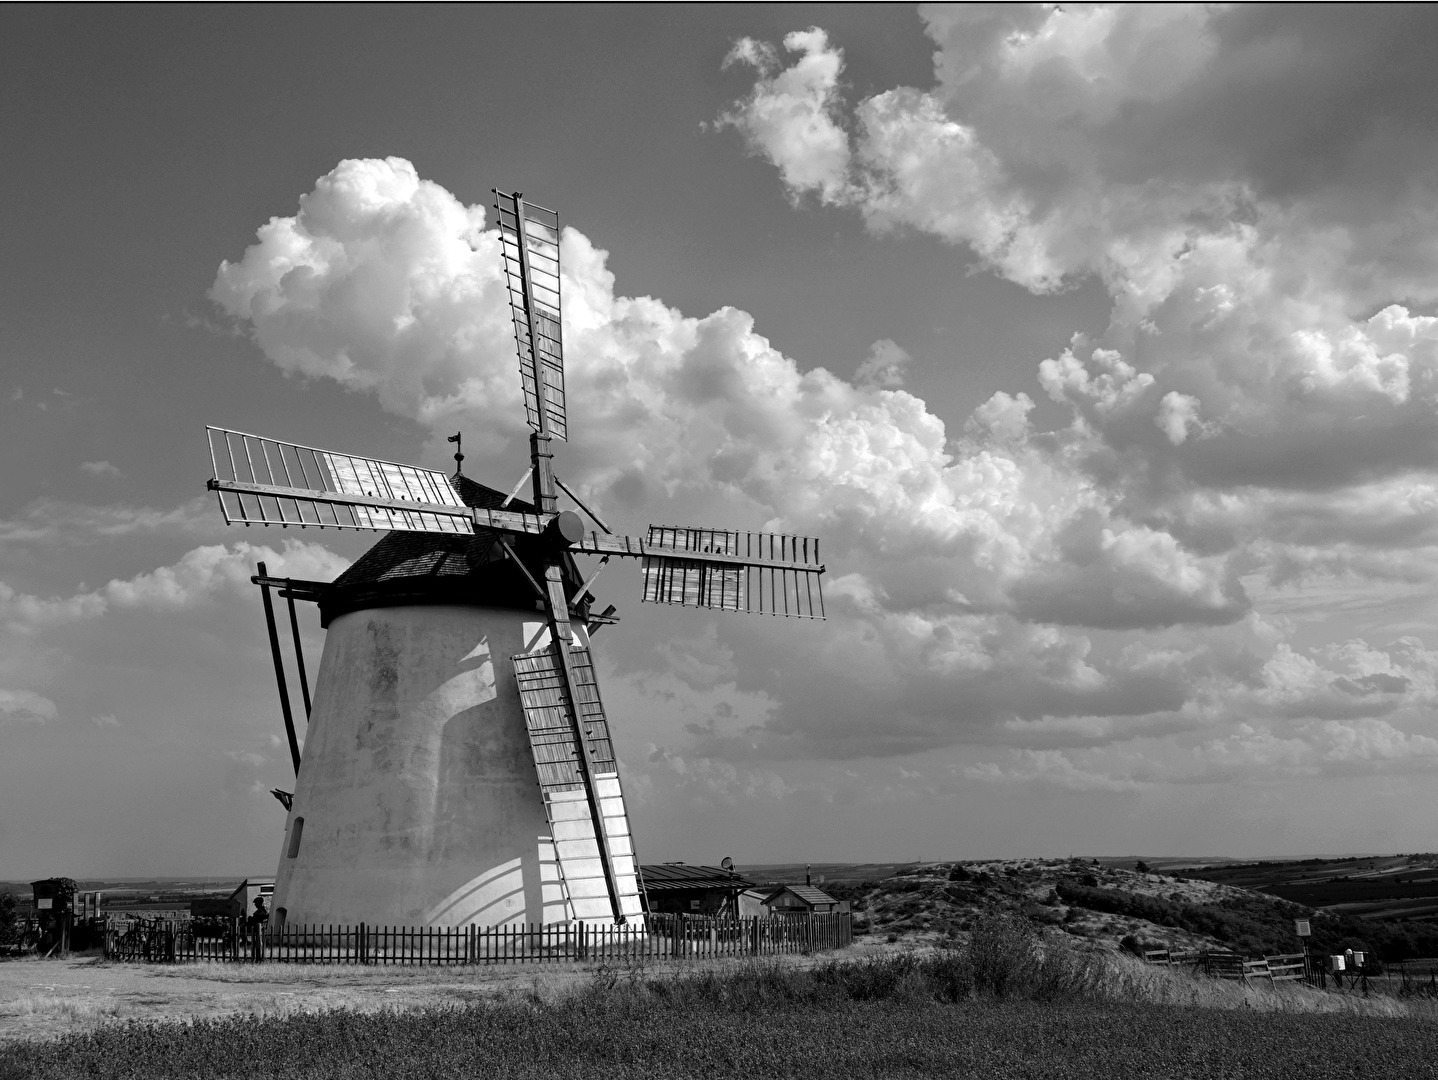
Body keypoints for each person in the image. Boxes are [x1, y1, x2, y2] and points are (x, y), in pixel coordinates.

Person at [247, 896, 268, 962]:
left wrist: (253, 918)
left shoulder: (263, 910)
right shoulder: (259, 910)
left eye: (256, 903)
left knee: (243, 927)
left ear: (260, 903)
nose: (255, 905)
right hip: (255, 925)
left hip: (258, 927)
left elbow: (263, 916)